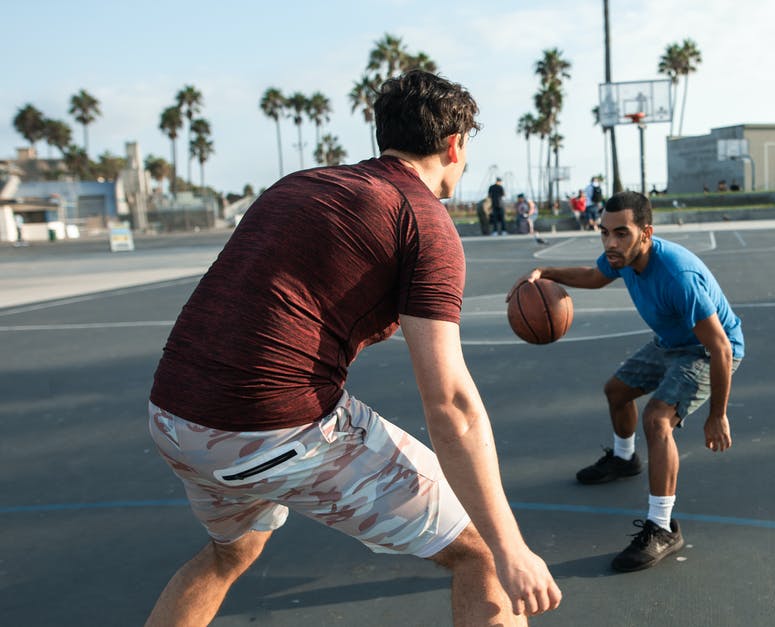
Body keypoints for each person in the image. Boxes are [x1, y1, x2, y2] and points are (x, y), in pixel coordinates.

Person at [145, 70, 561, 626]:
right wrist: (512, 549)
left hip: (174, 417)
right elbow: (451, 405)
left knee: (234, 550)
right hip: (271, 429)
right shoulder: (422, 219)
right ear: (456, 145)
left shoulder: (297, 185)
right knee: (481, 551)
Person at [508, 191, 744, 573]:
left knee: (657, 420)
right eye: (604, 233)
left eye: (621, 234)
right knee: (616, 392)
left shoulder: (677, 276)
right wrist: (546, 273)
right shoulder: (623, 259)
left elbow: (720, 347)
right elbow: (594, 277)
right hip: (670, 342)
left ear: (646, 233)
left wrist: (718, 414)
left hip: (703, 350)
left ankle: (663, 526)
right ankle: (623, 459)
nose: (610, 243)